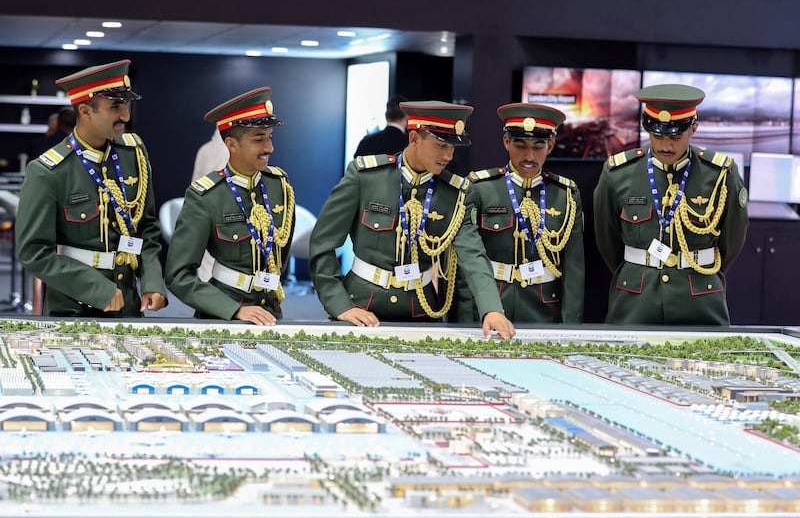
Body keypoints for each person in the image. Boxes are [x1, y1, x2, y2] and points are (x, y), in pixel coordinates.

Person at [309, 100, 516, 340]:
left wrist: (492, 308)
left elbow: (473, 254)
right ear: (415, 138)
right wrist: (340, 305)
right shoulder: (365, 177)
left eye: (453, 148)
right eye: (440, 146)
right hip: (362, 305)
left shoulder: (455, 193)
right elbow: (323, 244)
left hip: (422, 310)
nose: (448, 155)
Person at [15, 59, 167, 317]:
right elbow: (33, 252)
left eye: (126, 105)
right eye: (115, 107)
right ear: (85, 111)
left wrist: (152, 280)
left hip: (128, 302)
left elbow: (146, 228)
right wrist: (95, 289)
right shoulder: (48, 170)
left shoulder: (133, 154)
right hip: (73, 305)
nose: (126, 116)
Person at [593, 83, 749, 325]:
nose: (665, 145)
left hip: (699, 299)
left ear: (693, 128)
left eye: (675, 137)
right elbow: (607, 241)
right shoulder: (618, 173)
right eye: (657, 135)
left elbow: (731, 242)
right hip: (636, 300)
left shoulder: (720, 174)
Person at [165, 87, 295, 326]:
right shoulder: (207, 195)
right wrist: (232, 309)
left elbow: (279, 253)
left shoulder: (280, 187)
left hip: (271, 311)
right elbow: (178, 275)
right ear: (231, 144)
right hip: (223, 313)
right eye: (259, 139)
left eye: (270, 137)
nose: (269, 148)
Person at [451, 103, 584, 324]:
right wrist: (466, 318)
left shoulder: (566, 195)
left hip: (543, 309)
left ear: (550, 146)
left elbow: (574, 270)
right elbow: (468, 263)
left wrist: (570, 326)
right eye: (520, 145)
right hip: (492, 304)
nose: (529, 156)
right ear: (506, 142)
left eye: (538, 146)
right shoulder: (480, 188)